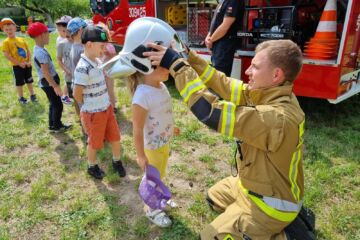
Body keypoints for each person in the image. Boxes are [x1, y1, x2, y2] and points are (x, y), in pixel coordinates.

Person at [144, 38, 305, 239]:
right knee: (213, 198)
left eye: (254, 67)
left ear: (276, 75)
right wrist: (189, 57)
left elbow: (209, 111)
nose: (247, 72)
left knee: (208, 236)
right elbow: (224, 84)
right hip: (251, 184)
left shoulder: (275, 119)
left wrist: (177, 67)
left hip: (270, 203)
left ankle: (284, 234)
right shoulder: (269, 93)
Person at [73, 25, 126, 179]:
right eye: (101, 46)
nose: (104, 50)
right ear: (89, 45)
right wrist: (89, 106)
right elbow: (77, 94)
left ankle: (117, 161)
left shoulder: (96, 60)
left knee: (115, 137)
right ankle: (92, 165)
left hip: (107, 108)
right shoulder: (82, 68)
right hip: (93, 113)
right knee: (95, 143)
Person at [28, 22, 71, 133]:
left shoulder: (39, 49)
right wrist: (55, 86)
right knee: (58, 105)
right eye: (48, 33)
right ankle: (57, 126)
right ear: (41, 35)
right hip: (49, 83)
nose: (49, 36)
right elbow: (46, 72)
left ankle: (52, 125)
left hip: (47, 83)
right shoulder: (41, 53)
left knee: (53, 103)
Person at [1, 18, 37, 104]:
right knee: (19, 83)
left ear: (15, 28)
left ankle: (32, 95)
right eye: (6, 29)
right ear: (3, 30)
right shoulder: (6, 42)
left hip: (27, 65)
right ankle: (21, 98)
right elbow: (6, 55)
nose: (9, 31)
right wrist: (19, 63)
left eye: (10, 29)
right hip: (17, 66)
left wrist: (29, 61)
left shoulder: (21, 39)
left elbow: (28, 50)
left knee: (29, 80)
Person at [205, 0, 244, 77]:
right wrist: (208, 37)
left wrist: (211, 40)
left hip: (225, 44)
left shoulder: (233, 2)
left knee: (220, 76)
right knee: (215, 74)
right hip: (217, 43)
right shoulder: (222, 2)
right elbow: (215, 22)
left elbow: (225, 26)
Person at [67, 17, 87, 116]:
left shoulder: (74, 46)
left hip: (77, 83)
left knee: (82, 109)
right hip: (83, 86)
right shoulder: (81, 50)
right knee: (86, 111)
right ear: (80, 31)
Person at [55, 15, 73, 105]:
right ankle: (65, 95)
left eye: (65, 30)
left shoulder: (69, 39)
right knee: (68, 80)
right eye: (60, 30)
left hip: (70, 63)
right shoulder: (61, 40)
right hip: (66, 64)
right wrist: (64, 68)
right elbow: (59, 57)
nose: (63, 33)